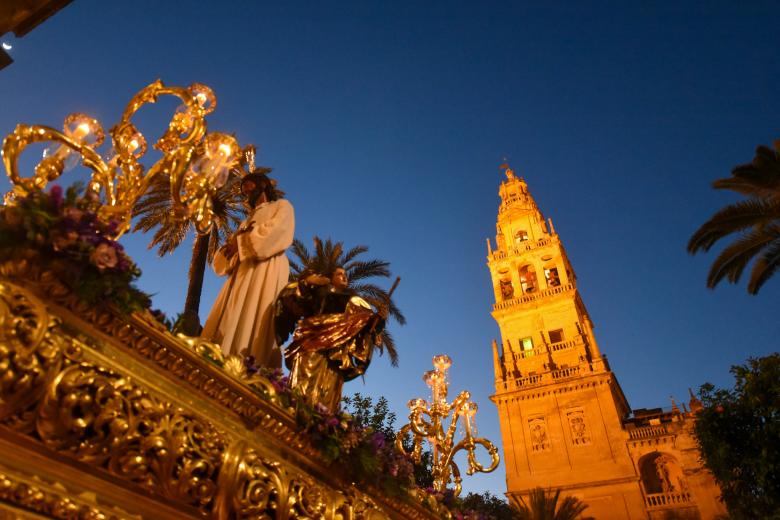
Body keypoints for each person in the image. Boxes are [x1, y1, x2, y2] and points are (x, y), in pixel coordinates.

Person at [201, 172, 294, 368]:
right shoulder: (246, 221)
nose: (246, 192)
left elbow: (279, 233)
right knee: (231, 315)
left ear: (262, 185)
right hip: (241, 274)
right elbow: (232, 253)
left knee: (255, 313)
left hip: (266, 269)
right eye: (243, 190)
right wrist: (229, 251)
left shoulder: (281, 207)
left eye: (249, 186)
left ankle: (248, 365)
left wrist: (242, 243)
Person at [275, 267, 386, 412]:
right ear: (329, 278)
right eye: (339, 274)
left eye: (345, 275)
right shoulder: (318, 293)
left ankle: (321, 423)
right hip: (312, 342)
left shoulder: (353, 302)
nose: (344, 277)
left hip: (336, 354)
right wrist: (307, 282)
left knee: (329, 390)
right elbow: (299, 299)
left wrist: (379, 319)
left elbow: (368, 326)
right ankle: (296, 411)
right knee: (304, 384)